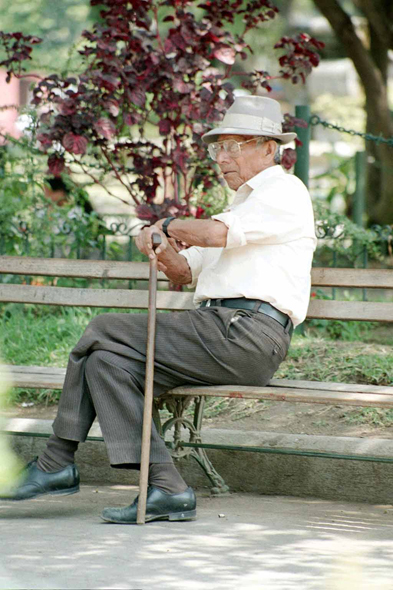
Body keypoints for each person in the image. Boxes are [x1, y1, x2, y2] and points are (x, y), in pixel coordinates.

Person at [1, 96, 316, 523]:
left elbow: (215, 234)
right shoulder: (240, 208)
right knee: (105, 362)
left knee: (101, 327)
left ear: (267, 147)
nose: (221, 158)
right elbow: (184, 272)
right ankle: (168, 487)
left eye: (232, 147)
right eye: (217, 148)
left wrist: (166, 225)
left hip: (248, 334)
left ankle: (57, 460)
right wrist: (160, 247)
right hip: (217, 330)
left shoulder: (283, 191)